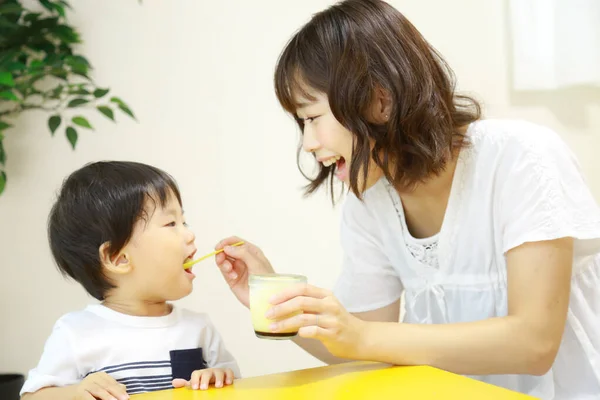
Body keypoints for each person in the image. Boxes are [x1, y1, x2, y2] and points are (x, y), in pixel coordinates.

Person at [214, 0, 600, 399]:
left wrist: (361, 336)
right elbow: (360, 341)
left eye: (312, 118)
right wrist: (274, 302)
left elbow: (532, 343)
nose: (309, 144)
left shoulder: (522, 157)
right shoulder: (371, 202)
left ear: (379, 101)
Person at [21, 161, 240, 400]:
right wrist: (75, 393)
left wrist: (220, 378)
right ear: (118, 258)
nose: (190, 234)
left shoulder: (199, 329)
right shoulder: (75, 332)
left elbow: (237, 384)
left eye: (183, 222)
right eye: (171, 223)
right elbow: (33, 396)